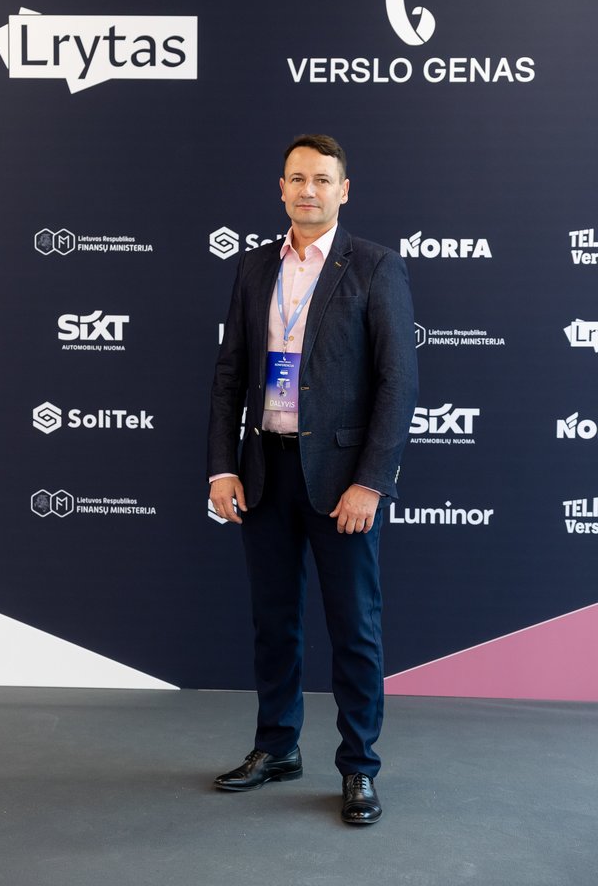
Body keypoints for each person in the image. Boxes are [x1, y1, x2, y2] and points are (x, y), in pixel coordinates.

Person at [208, 134, 418, 825]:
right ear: (281, 188)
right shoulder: (252, 268)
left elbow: (398, 383)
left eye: (322, 179)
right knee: (274, 624)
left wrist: (372, 483)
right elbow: (230, 376)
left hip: (341, 482)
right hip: (265, 471)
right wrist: (223, 466)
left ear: (343, 190)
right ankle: (277, 748)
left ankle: (359, 767)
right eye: (297, 178)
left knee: (354, 628)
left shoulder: (375, 267)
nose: (308, 190)